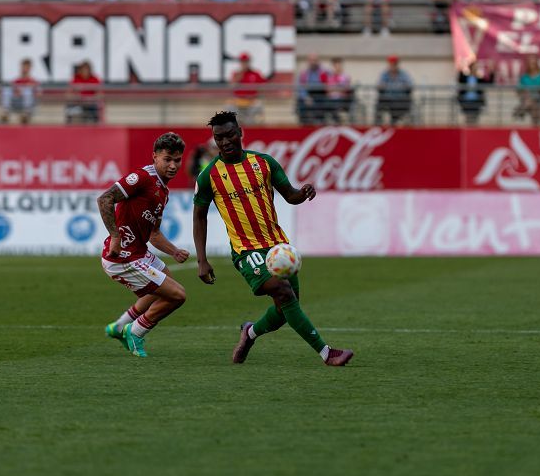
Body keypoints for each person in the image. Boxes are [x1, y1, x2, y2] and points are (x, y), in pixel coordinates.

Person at [191, 111, 353, 367]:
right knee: (283, 292)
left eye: (230, 135)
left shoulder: (264, 163)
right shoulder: (209, 175)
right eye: (218, 138)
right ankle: (326, 353)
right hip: (246, 250)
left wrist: (304, 192)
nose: (225, 142)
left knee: (285, 309)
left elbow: (290, 195)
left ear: (240, 132)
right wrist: (202, 260)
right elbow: (199, 216)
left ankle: (250, 332)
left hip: (278, 246)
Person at [99, 132, 189, 358]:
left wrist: (174, 251)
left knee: (166, 280)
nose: (172, 165)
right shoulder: (141, 178)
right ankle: (136, 332)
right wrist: (115, 236)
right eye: (167, 159)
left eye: (177, 160)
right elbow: (105, 199)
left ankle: (119, 327)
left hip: (139, 253)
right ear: (154, 157)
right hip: (122, 258)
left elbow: (154, 234)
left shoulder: (163, 191)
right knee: (177, 295)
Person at [229, 52, 267, 123]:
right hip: (239, 101)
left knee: (258, 105)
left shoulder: (255, 74)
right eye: (242, 61)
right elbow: (232, 87)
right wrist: (239, 77)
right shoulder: (236, 74)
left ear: (249, 62)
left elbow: (264, 86)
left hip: (252, 101)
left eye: (246, 61)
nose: (244, 63)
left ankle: (250, 126)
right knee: (229, 107)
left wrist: (256, 96)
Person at [376, 55, 414, 125]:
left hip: (401, 99)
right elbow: (379, 85)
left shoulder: (403, 74)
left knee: (401, 107)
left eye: (394, 64)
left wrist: (401, 86)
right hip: (388, 99)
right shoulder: (385, 74)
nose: (392, 66)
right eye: (391, 64)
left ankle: (396, 122)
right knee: (379, 103)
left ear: (397, 64)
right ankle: (378, 124)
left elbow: (410, 85)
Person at [1, 58, 39, 124]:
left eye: (27, 67)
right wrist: (17, 91)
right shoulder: (16, 81)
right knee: (6, 89)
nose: (24, 69)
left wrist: (31, 89)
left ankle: (25, 114)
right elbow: (12, 92)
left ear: (30, 68)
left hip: (28, 104)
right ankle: (5, 112)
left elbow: (39, 94)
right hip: (17, 101)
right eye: (23, 67)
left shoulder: (34, 81)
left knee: (27, 91)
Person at [457, 59, 493, 125]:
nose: (476, 69)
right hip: (466, 101)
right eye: (474, 67)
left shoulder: (479, 79)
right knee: (468, 118)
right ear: (470, 68)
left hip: (477, 101)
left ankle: (472, 130)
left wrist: (491, 70)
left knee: (474, 119)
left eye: (476, 67)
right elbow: (460, 78)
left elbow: (489, 83)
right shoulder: (465, 78)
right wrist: (462, 65)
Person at [296, 53, 329, 124]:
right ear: (308, 61)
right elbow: (300, 87)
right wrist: (305, 97)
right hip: (308, 95)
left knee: (322, 104)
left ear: (318, 61)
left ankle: (320, 123)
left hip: (320, 95)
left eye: (315, 60)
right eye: (311, 60)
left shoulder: (324, 72)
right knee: (300, 103)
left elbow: (328, 83)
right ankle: (305, 124)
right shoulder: (304, 73)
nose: (313, 62)